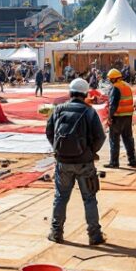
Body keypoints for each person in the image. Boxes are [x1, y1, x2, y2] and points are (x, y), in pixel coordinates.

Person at [46, 78, 106, 245]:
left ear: (70, 92)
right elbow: (100, 136)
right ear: (85, 93)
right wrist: (90, 152)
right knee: (89, 198)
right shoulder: (89, 112)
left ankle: (56, 232)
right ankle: (94, 235)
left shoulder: (58, 109)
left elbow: (49, 132)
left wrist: (58, 149)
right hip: (84, 163)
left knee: (60, 197)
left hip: (62, 163)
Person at [103, 69, 136, 169]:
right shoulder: (127, 86)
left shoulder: (115, 88)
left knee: (114, 139)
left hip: (118, 117)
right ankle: (133, 160)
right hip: (128, 116)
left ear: (113, 79)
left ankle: (114, 162)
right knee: (128, 139)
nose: (109, 81)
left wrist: (109, 118)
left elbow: (113, 105)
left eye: (110, 79)